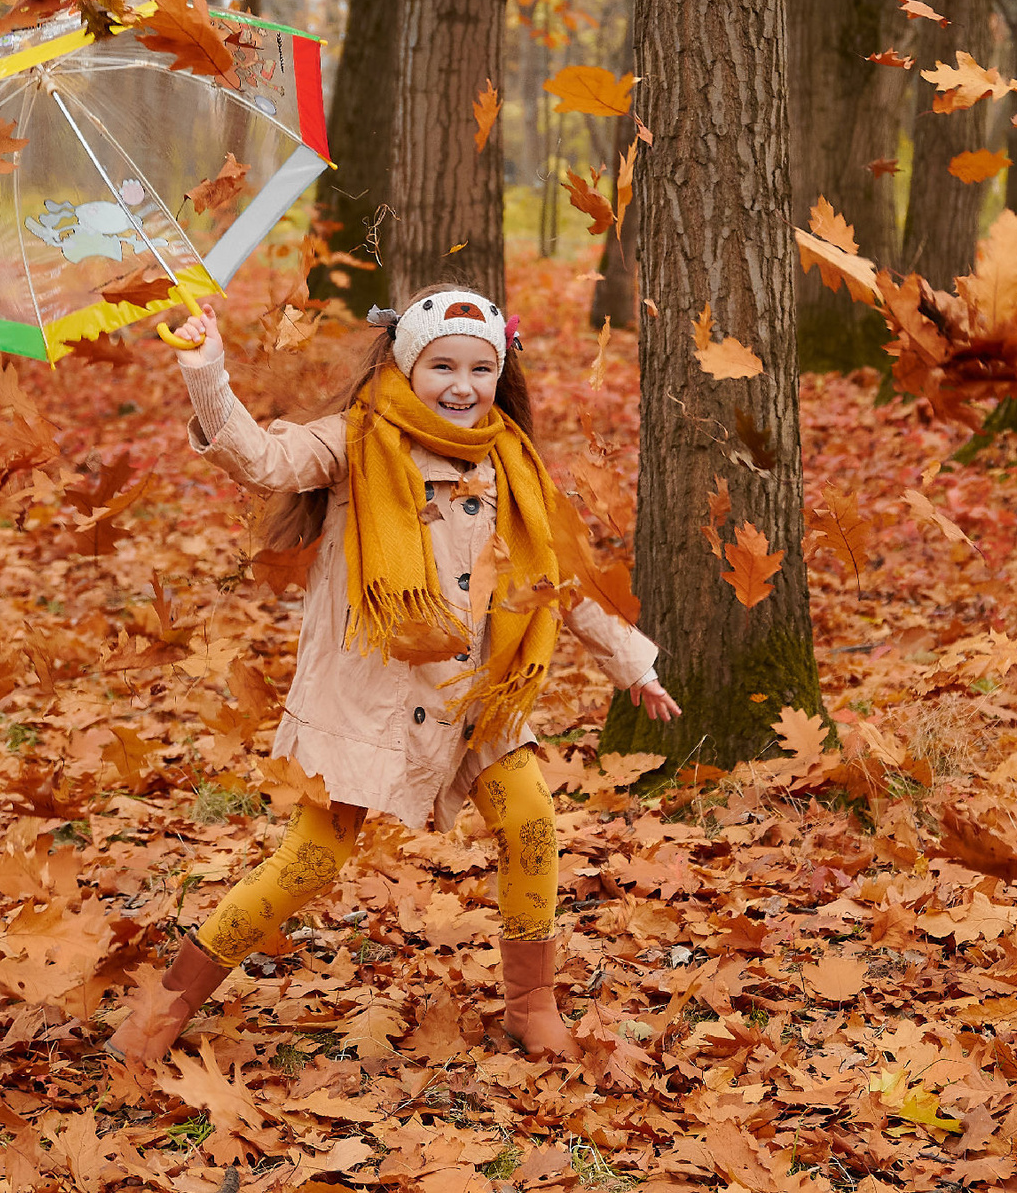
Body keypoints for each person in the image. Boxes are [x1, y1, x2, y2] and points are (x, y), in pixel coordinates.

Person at [109, 286, 680, 1064]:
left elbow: (557, 580)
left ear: (500, 373)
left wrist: (630, 660)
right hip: (366, 700)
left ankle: (532, 1003)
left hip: (475, 694)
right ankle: (171, 999)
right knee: (309, 862)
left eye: (480, 368)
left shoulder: (511, 461)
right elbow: (264, 460)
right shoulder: (355, 441)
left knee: (530, 822)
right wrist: (208, 371)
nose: (462, 385)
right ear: (406, 364)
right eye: (442, 365)